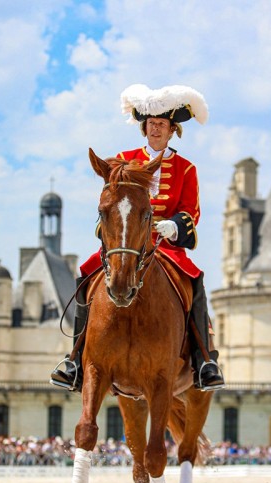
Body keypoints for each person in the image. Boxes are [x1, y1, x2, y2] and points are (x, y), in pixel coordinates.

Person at [50, 83, 225, 393]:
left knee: (195, 281)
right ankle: (75, 360)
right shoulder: (123, 159)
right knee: (85, 275)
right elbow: (111, 202)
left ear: (173, 131)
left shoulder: (186, 169)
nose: (155, 129)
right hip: (125, 242)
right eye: (151, 124)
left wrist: (173, 225)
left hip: (165, 247)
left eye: (161, 125)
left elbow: (191, 212)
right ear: (144, 128)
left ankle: (204, 361)